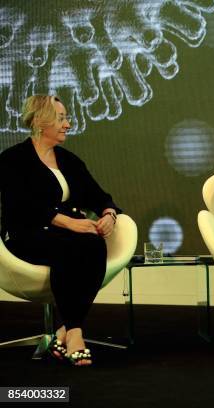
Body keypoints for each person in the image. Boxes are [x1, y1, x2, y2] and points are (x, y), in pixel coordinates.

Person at [0, 95, 120, 366]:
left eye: (66, 118)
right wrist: (70, 223)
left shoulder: (69, 160)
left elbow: (100, 196)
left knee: (93, 243)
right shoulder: (12, 159)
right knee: (72, 246)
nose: (68, 124)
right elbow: (20, 207)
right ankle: (75, 334)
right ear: (41, 121)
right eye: (62, 118)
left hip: (65, 235)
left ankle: (67, 330)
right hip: (25, 235)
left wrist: (109, 214)